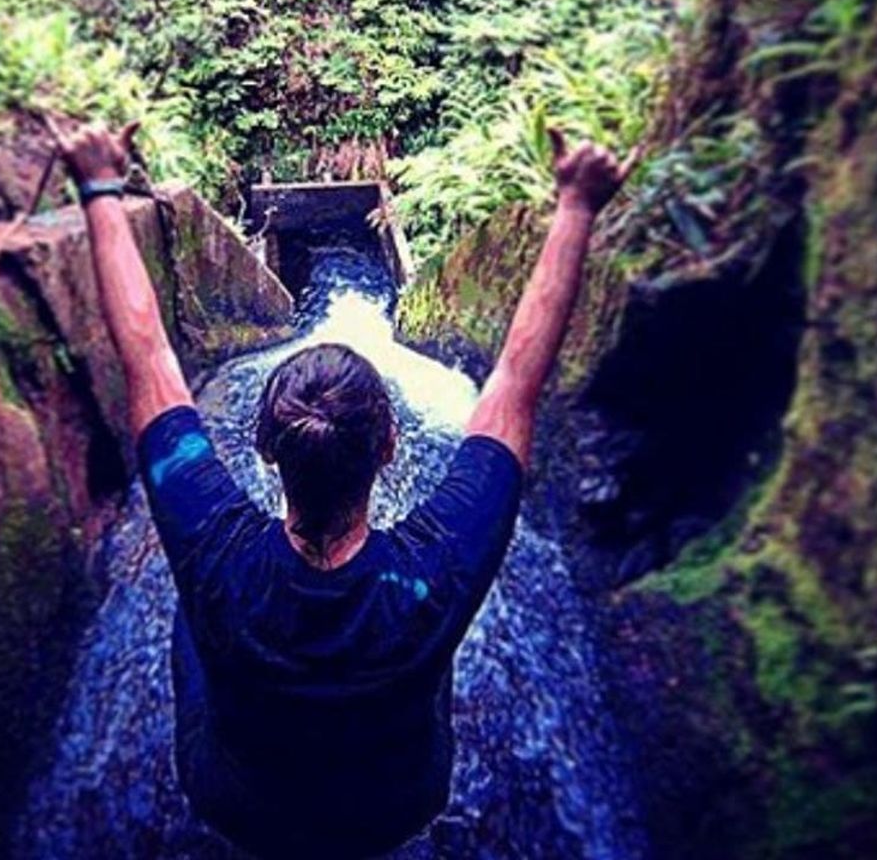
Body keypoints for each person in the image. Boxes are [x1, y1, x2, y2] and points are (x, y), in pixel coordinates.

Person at [49, 117, 638, 859]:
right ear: (389, 448)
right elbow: (515, 383)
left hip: (235, 803)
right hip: (396, 807)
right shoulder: (440, 561)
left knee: (188, 602)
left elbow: (150, 360)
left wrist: (99, 188)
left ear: (264, 451)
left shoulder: (212, 539)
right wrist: (577, 208)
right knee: (424, 639)